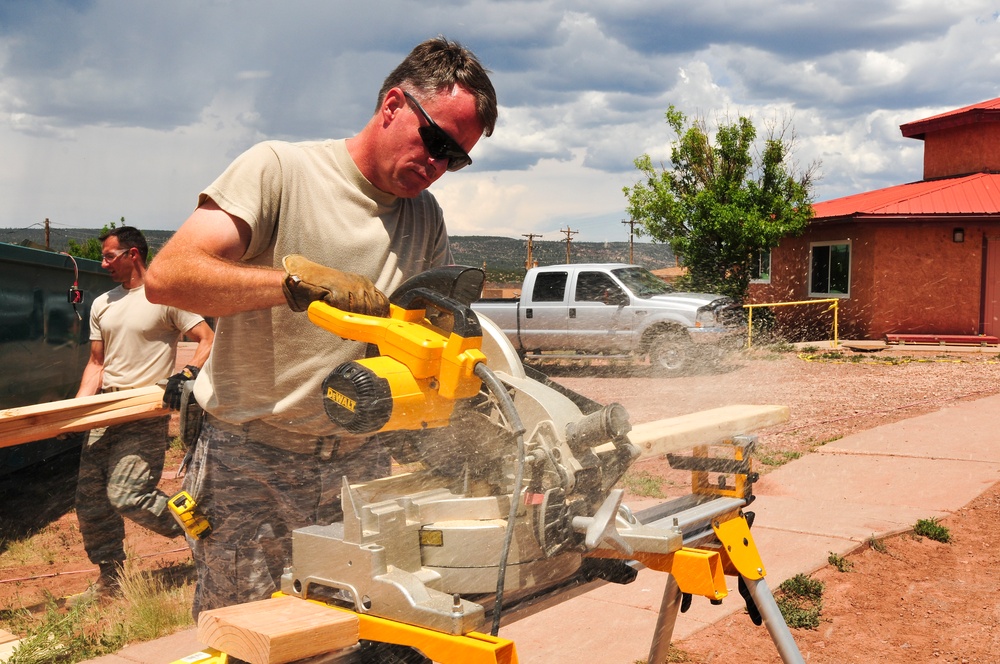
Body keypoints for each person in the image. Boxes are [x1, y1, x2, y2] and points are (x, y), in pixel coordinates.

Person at [144, 37, 497, 616]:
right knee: (246, 633)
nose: (436, 165)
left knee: (346, 634)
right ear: (392, 105)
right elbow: (170, 277)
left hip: (359, 466)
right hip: (250, 458)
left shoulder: (423, 216)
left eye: (454, 159)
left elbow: (427, 339)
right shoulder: (280, 170)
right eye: (434, 141)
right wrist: (290, 288)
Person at [69, 226, 215, 605]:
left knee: (128, 495)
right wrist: (75, 411)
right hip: (104, 412)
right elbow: (96, 363)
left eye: (109, 256)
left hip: (143, 411)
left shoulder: (164, 297)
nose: (103, 264)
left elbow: (207, 340)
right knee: (91, 503)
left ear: (133, 254)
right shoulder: (103, 303)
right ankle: (110, 580)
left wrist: (187, 374)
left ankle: (206, 534)